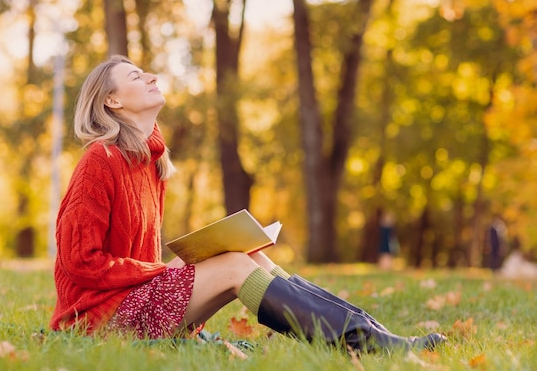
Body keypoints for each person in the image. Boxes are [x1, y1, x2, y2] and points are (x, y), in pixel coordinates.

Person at [50, 55, 446, 353]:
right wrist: (159, 271)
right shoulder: (99, 161)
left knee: (251, 254)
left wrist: (170, 267)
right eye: (136, 76)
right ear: (112, 102)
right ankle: (365, 343)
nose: (152, 76)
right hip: (98, 319)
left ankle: (373, 333)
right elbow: (80, 261)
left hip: (136, 302)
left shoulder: (150, 164)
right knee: (235, 265)